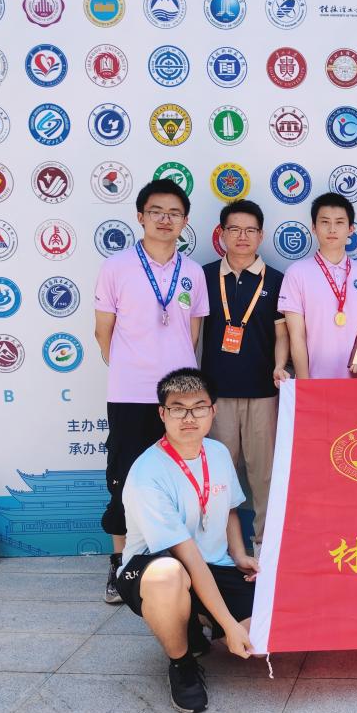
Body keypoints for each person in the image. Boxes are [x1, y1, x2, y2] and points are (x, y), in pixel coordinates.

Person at [115, 368, 257, 713]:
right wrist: (228, 625)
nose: (189, 417)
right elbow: (188, 557)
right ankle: (182, 665)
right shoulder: (148, 472)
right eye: (178, 408)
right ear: (162, 414)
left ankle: (194, 620)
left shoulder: (217, 452)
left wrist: (239, 555)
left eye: (198, 407)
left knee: (263, 635)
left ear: (213, 410)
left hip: (211, 565)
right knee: (170, 575)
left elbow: (230, 509)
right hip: (154, 568)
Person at [95, 179, 209, 604]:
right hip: (130, 392)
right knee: (124, 477)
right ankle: (120, 563)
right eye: (157, 211)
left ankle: (176, 561)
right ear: (140, 216)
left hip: (180, 397)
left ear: (185, 221)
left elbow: (192, 333)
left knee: (180, 477)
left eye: (174, 213)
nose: (165, 219)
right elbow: (103, 331)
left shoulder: (193, 272)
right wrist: (132, 367)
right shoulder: (117, 267)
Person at [202, 199, 289, 559]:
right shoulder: (204, 276)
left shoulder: (278, 280)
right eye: (234, 229)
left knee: (264, 475)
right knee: (218, 477)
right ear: (221, 233)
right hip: (216, 394)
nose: (242, 236)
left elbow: (282, 334)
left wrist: (280, 365)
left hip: (263, 393)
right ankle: (218, 549)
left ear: (261, 236)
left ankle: (266, 549)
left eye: (250, 230)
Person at [278, 193, 357, 378]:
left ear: (351, 229)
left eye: (340, 222)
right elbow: (297, 336)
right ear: (314, 227)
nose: (332, 229)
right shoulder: (296, 273)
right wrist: (305, 385)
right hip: (316, 381)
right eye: (325, 222)